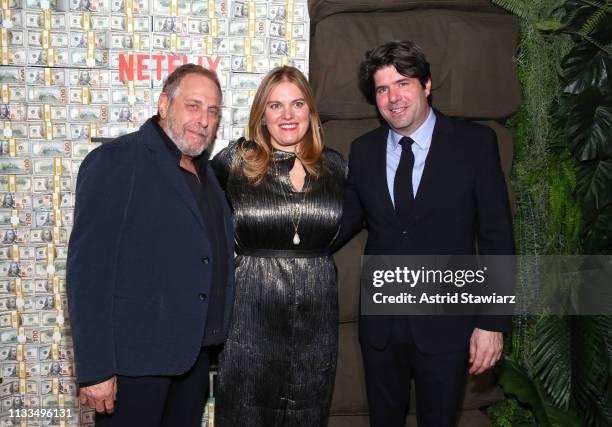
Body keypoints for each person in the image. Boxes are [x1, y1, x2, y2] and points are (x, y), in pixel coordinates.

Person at [336, 41, 514, 426]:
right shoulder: (363, 151)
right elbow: (339, 224)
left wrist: (493, 322)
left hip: (447, 325)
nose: (393, 97)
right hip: (381, 328)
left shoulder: (475, 144)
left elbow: (498, 236)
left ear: (427, 85)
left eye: (402, 83)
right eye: (382, 89)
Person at [67, 64, 235, 427]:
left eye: (212, 111)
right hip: (134, 365)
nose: (203, 119)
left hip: (191, 360)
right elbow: (88, 273)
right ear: (164, 104)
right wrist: (95, 369)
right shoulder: (115, 162)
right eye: (193, 106)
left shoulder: (206, 172)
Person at [211, 65, 345, 426]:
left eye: (297, 104)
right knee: (245, 408)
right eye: (276, 106)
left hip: (317, 314)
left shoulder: (335, 167)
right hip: (250, 313)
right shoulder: (233, 163)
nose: (287, 115)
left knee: (307, 409)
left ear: (311, 112)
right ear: (261, 115)